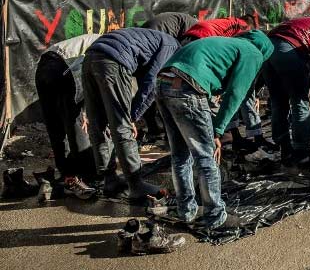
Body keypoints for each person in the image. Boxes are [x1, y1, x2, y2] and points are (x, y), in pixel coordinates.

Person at [155, 30, 273, 232]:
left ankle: (186, 211)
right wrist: (217, 131)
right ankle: (215, 217)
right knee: (206, 156)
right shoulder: (253, 52)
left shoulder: (226, 44)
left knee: (180, 155)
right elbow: (235, 95)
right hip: (188, 88)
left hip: (162, 83)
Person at [82, 28, 180, 199]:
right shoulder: (173, 48)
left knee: (97, 123)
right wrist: (133, 117)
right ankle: (136, 184)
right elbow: (151, 85)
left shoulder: (156, 39)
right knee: (122, 126)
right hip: (114, 60)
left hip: (90, 56)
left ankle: (109, 179)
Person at [263, 14, 310, 168]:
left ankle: (285, 148)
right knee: (300, 101)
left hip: (268, 46)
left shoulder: (309, 22)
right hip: (288, 49)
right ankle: (302, 153)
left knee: (278, 102)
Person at [180, 14, 263, 148]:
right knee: (212, 94)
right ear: (249, 26)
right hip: (202, 43)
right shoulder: (242, 27)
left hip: (190, 40)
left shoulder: (229, 21)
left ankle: (228, 135)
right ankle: (221, 136)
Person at [35, 34, 100, 199]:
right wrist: (85, 111)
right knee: (74, 121)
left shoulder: (97, 39)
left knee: (54, 122)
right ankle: (86, 176)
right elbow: (92, 80)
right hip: (62, 66)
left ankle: (67, 174)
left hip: (43, 66)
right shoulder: (110, 45)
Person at [142, 12, 198, 139]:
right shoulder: (195, 29)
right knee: (162, 87)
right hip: (156, 44)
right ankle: (168, 131)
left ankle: (153, 128)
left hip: (148, 42)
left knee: (148, 86)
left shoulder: (182, 21)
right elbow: (182, 55)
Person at [181, 15, 255, 45]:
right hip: (207, 33)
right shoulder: (243, 25)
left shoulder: (231, 20)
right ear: (249, 24)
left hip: (197, 27)